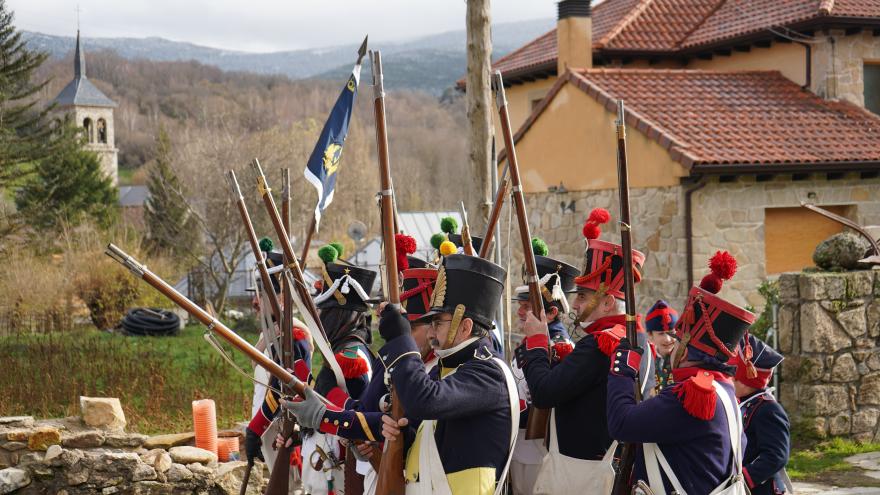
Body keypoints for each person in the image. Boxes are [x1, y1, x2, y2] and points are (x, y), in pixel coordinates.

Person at [282, 255, 439, 495]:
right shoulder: (391, 362)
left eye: (412, 328)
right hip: (373, 468)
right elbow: (366, 411)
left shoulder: (352, 357)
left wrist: (327, 394)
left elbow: (363, 414)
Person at [514, 208, 652, 475]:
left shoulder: (600, 344)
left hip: (582, 469)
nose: (574, 305)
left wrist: (537, 341)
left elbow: (543, 392)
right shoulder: (638, 338)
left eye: (583, 297)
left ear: (607, 301)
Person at [606, 250, 753, 495]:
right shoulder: (724, 388)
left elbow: (621, 423)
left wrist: (622, 369)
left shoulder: (691, 395)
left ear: (684, 350)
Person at [379, 254, 519, 495]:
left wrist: (402, 341)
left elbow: (426, 401)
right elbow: (438, 436)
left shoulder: (489, 372)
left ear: (465, 326)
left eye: (438, 323)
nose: (431, 332)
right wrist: (403, 433)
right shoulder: (449, 368)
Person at [509, 244, 578, 495]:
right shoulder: (532, 342)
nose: (519, 310)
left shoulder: (560, 348)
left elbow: (547, 403)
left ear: (551, 313)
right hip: (520, 448)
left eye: (527, 306)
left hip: (537, 451)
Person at [733, 335, 791, 495]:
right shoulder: (745, 402)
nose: (731, 381)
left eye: (736, 379)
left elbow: (776, 455)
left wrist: (744, 478)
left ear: (750, 381)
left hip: (760, 489)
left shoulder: (768, 409)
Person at [645, 300, 678, 392]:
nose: (667, 339)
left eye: (671, 333)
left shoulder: (684, 359)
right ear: (650, 336)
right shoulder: (646, 360)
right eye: (661, 333)